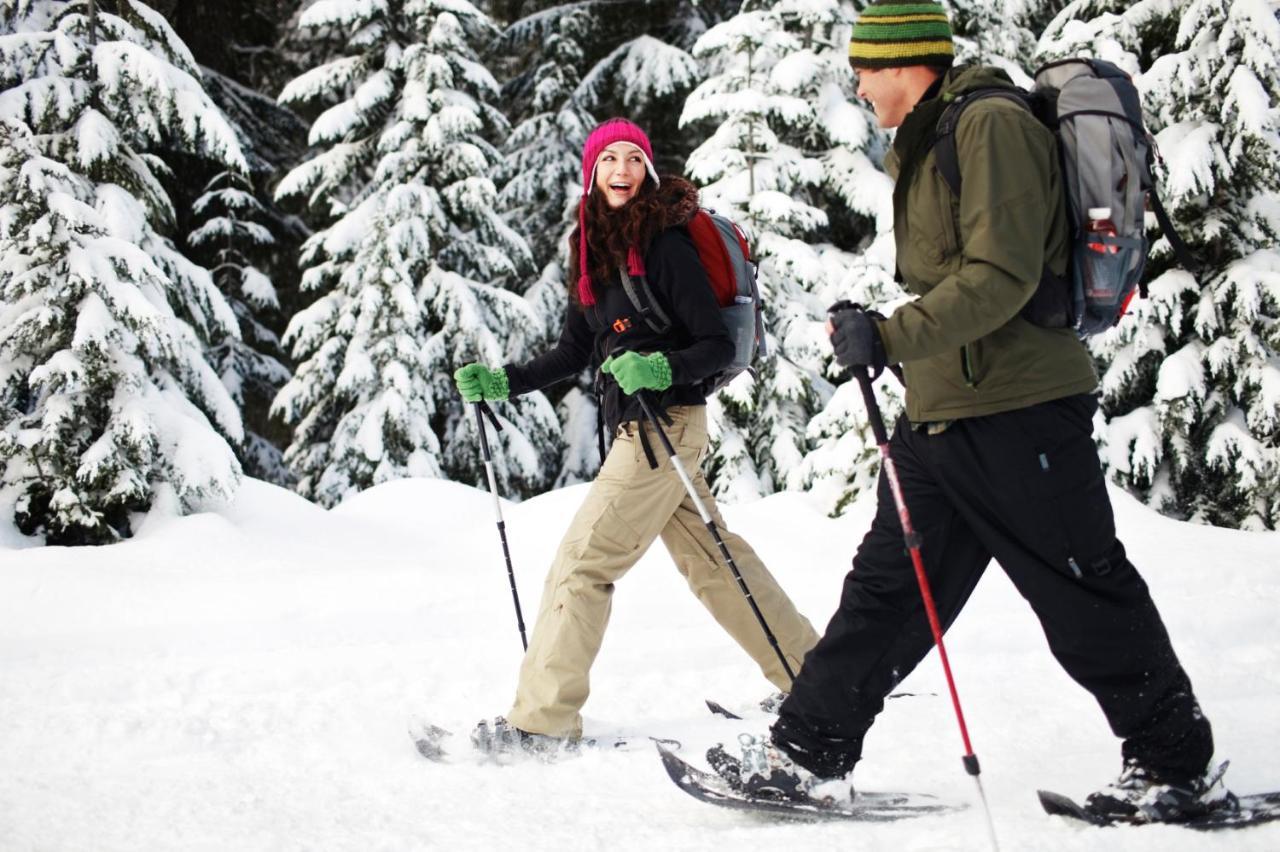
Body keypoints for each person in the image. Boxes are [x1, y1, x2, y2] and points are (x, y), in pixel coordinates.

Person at [707, 0, 1230, 824]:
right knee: (888, 590)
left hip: (1022, 409)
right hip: (946, 409)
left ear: (911, 63)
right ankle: (807, 754)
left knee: (1082, 590)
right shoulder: (932, 139)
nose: (859, 83)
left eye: (867, 68)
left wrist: (889, 333)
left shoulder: (989, 127)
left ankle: (1173, 763)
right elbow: (956, 277)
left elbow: (1001, 275)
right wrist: (880, 327)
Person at [453, 118, 820, 752]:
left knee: (582, 563)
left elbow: (713, 344)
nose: (621, 170)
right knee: (715, 562)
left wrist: (659, 367)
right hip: (648, 431)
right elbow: (576, 350)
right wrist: (504, 382)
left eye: (633, 159)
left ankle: (542, 724)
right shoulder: (591, 248)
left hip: (663, 428)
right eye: (609, 160)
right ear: (592, 173)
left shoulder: (664, 245)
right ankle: (815, 677)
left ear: (646, 170)